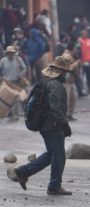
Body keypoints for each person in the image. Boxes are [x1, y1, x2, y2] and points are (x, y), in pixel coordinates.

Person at [6, 56, 73, 195]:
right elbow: (55, 108)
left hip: (45, 125)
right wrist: (64, 124)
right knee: (59, 155)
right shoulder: (56, 86)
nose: (67, 74)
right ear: (61, 72)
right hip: (53, 126)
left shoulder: (47, 82)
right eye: (65, 72)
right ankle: (54, 187)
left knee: (51, 154)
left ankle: (22, 172)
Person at [0, 46, 27, 121]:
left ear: (14, 53)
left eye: (12, 53)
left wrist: (21, 74)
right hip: (6, 82)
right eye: (9, 53)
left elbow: (24, 68)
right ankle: (9, 113)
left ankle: (16, 115)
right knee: (7, 99)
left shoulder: (18, 59)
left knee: (16, 99)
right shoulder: (3, 61)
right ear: (7, 53)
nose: (10, 54)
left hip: (16, 81)